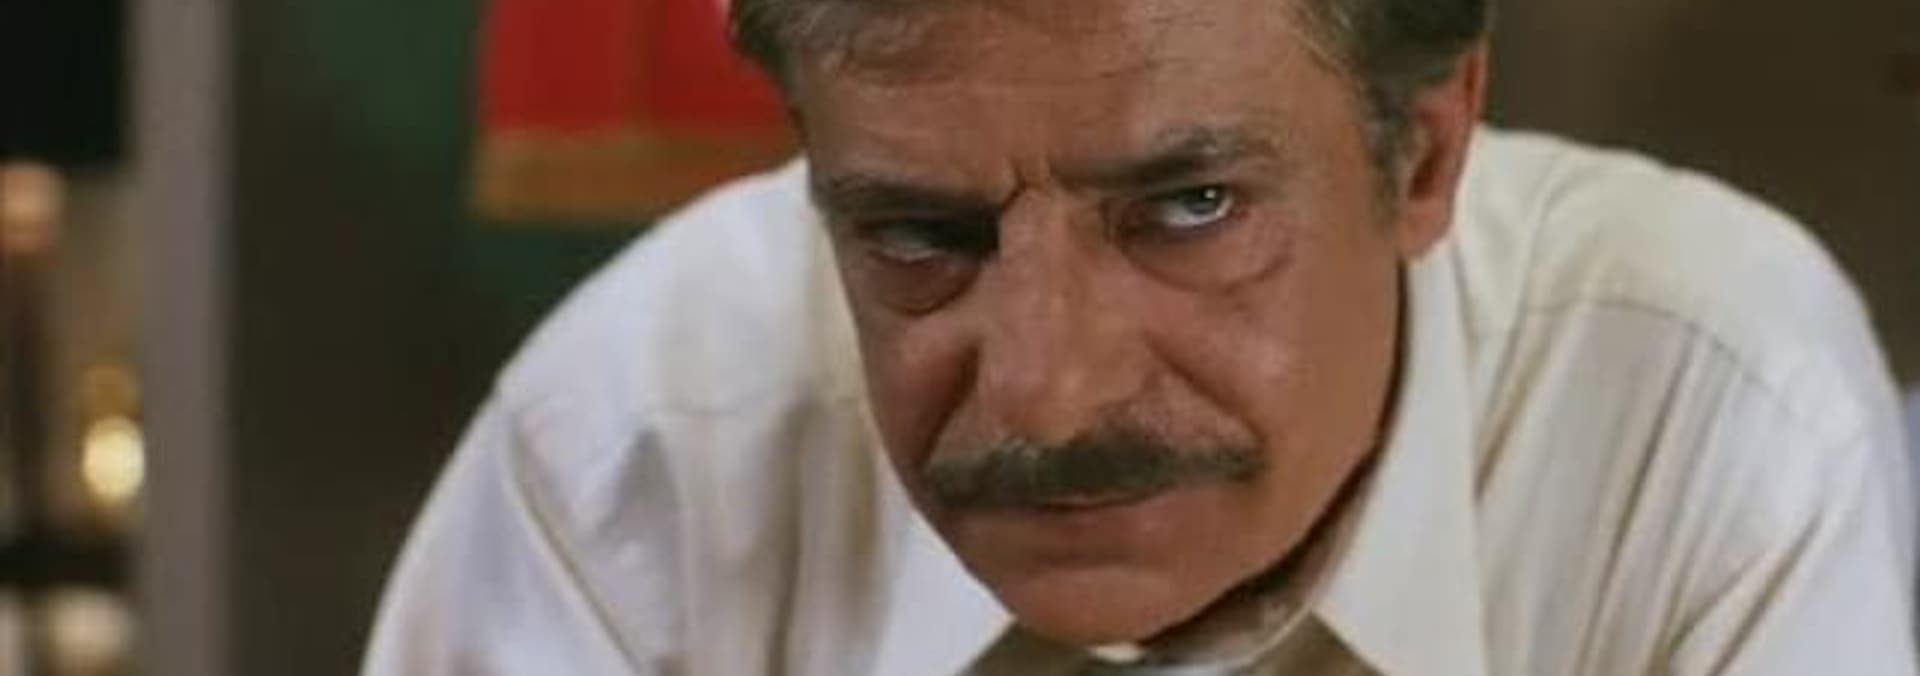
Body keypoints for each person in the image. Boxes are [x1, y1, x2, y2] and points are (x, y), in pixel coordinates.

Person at [361, 0, 1919, 673]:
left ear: (1424, 159)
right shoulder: (630, 441)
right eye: (919, 235)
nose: (1047, 393)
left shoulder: (1711, 403)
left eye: (1189, 207)